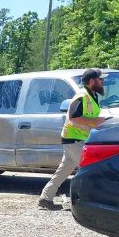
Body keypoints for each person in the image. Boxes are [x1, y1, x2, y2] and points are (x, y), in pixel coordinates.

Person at [39, 68, 109, 210]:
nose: (102, 81)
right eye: (100, 79)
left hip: (76, 139)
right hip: (74, 139)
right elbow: (74, 117)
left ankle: (45, 198)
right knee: (89, 170)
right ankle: (88, 203)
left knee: (64, 170)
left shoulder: (92, 95)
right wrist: (94, 122)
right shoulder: (82, 96)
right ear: (91, 81)